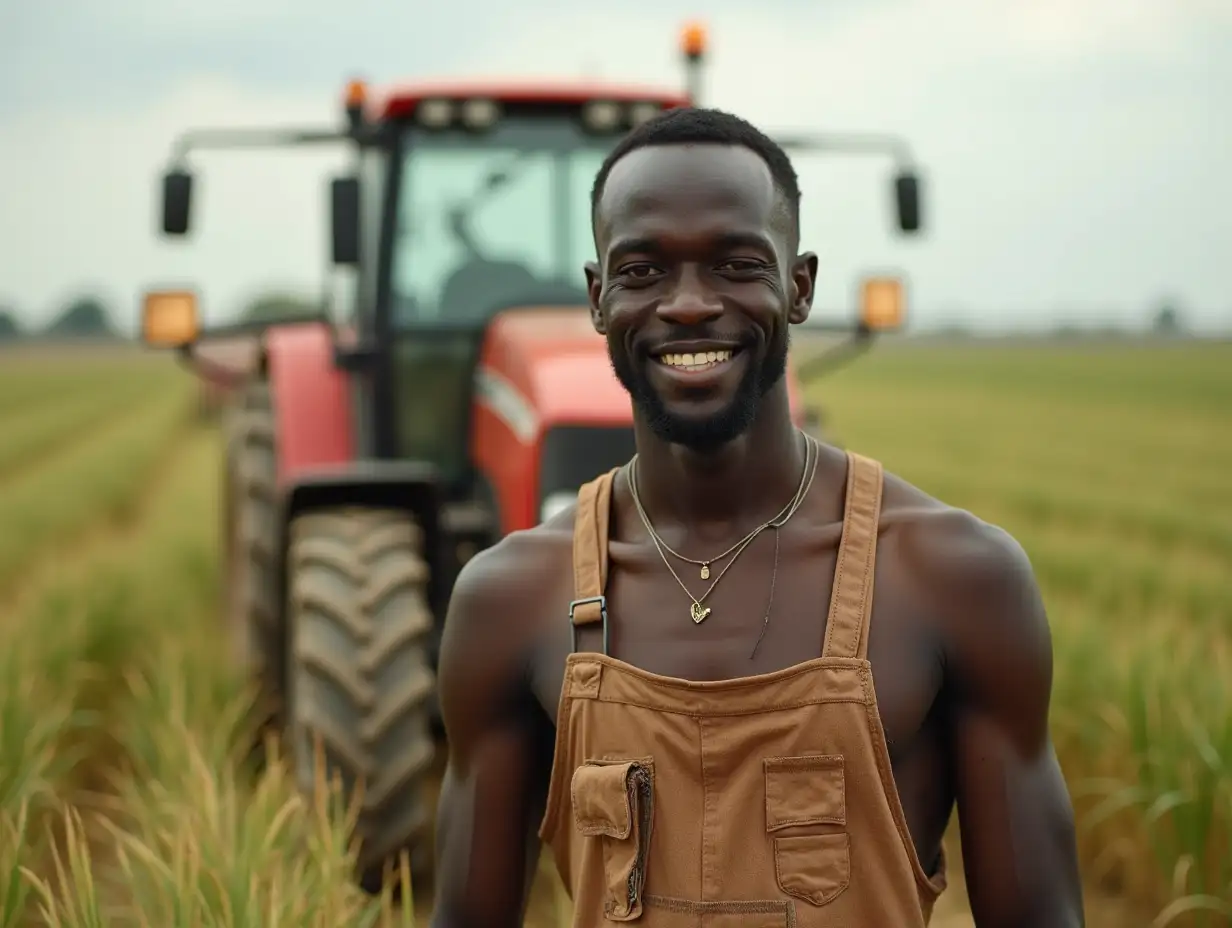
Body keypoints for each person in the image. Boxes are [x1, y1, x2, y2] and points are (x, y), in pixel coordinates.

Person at [429, 106, 1084, 927]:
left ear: (799, 286)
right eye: (643, 271)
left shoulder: (954, 578)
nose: (691, 304)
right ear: (598, 299)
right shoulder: (508, 599)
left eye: (737, 264)